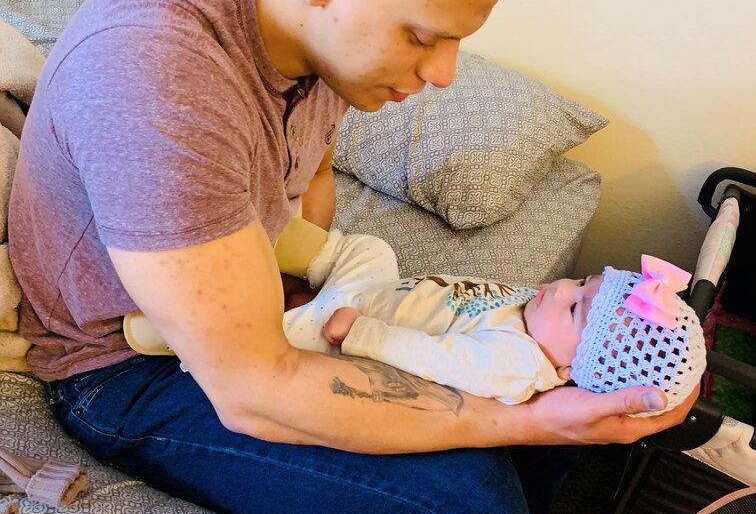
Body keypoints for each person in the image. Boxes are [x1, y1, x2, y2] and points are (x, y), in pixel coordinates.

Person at [8, 0, 698, 514]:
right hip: (120, 373)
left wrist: (532, 409)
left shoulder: (310, 45)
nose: (442, 74)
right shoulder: (161, 80)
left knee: (546, 397)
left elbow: (310, 187)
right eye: (423, 35)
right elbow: (254, 392)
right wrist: (517, 417)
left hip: (252, 305)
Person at [125, 225, 707, 412]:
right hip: (374, 290)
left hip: (344, 329)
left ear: (580, 368)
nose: (559, 287)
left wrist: (361, 332)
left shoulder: (516, 364)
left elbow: (433, 358)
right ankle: (272, 236)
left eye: (576, 306)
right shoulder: (538, 315)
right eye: (580, 282)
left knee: (280, 333)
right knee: (371, 246)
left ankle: (171, 333)